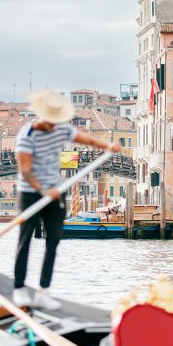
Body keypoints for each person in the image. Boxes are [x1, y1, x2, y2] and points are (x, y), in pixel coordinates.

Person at [13, 90, 120, 310]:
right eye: (51, 122)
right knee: (24, 242)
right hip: (31, 193)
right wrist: (43, 191)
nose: (55, 126)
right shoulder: (26, 136)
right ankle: (19, 289)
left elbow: (86, 139)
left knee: (53, 242)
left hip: (56, 192)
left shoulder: (61, 129)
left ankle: (44, 290)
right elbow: (26, 172)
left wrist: (106, 146)